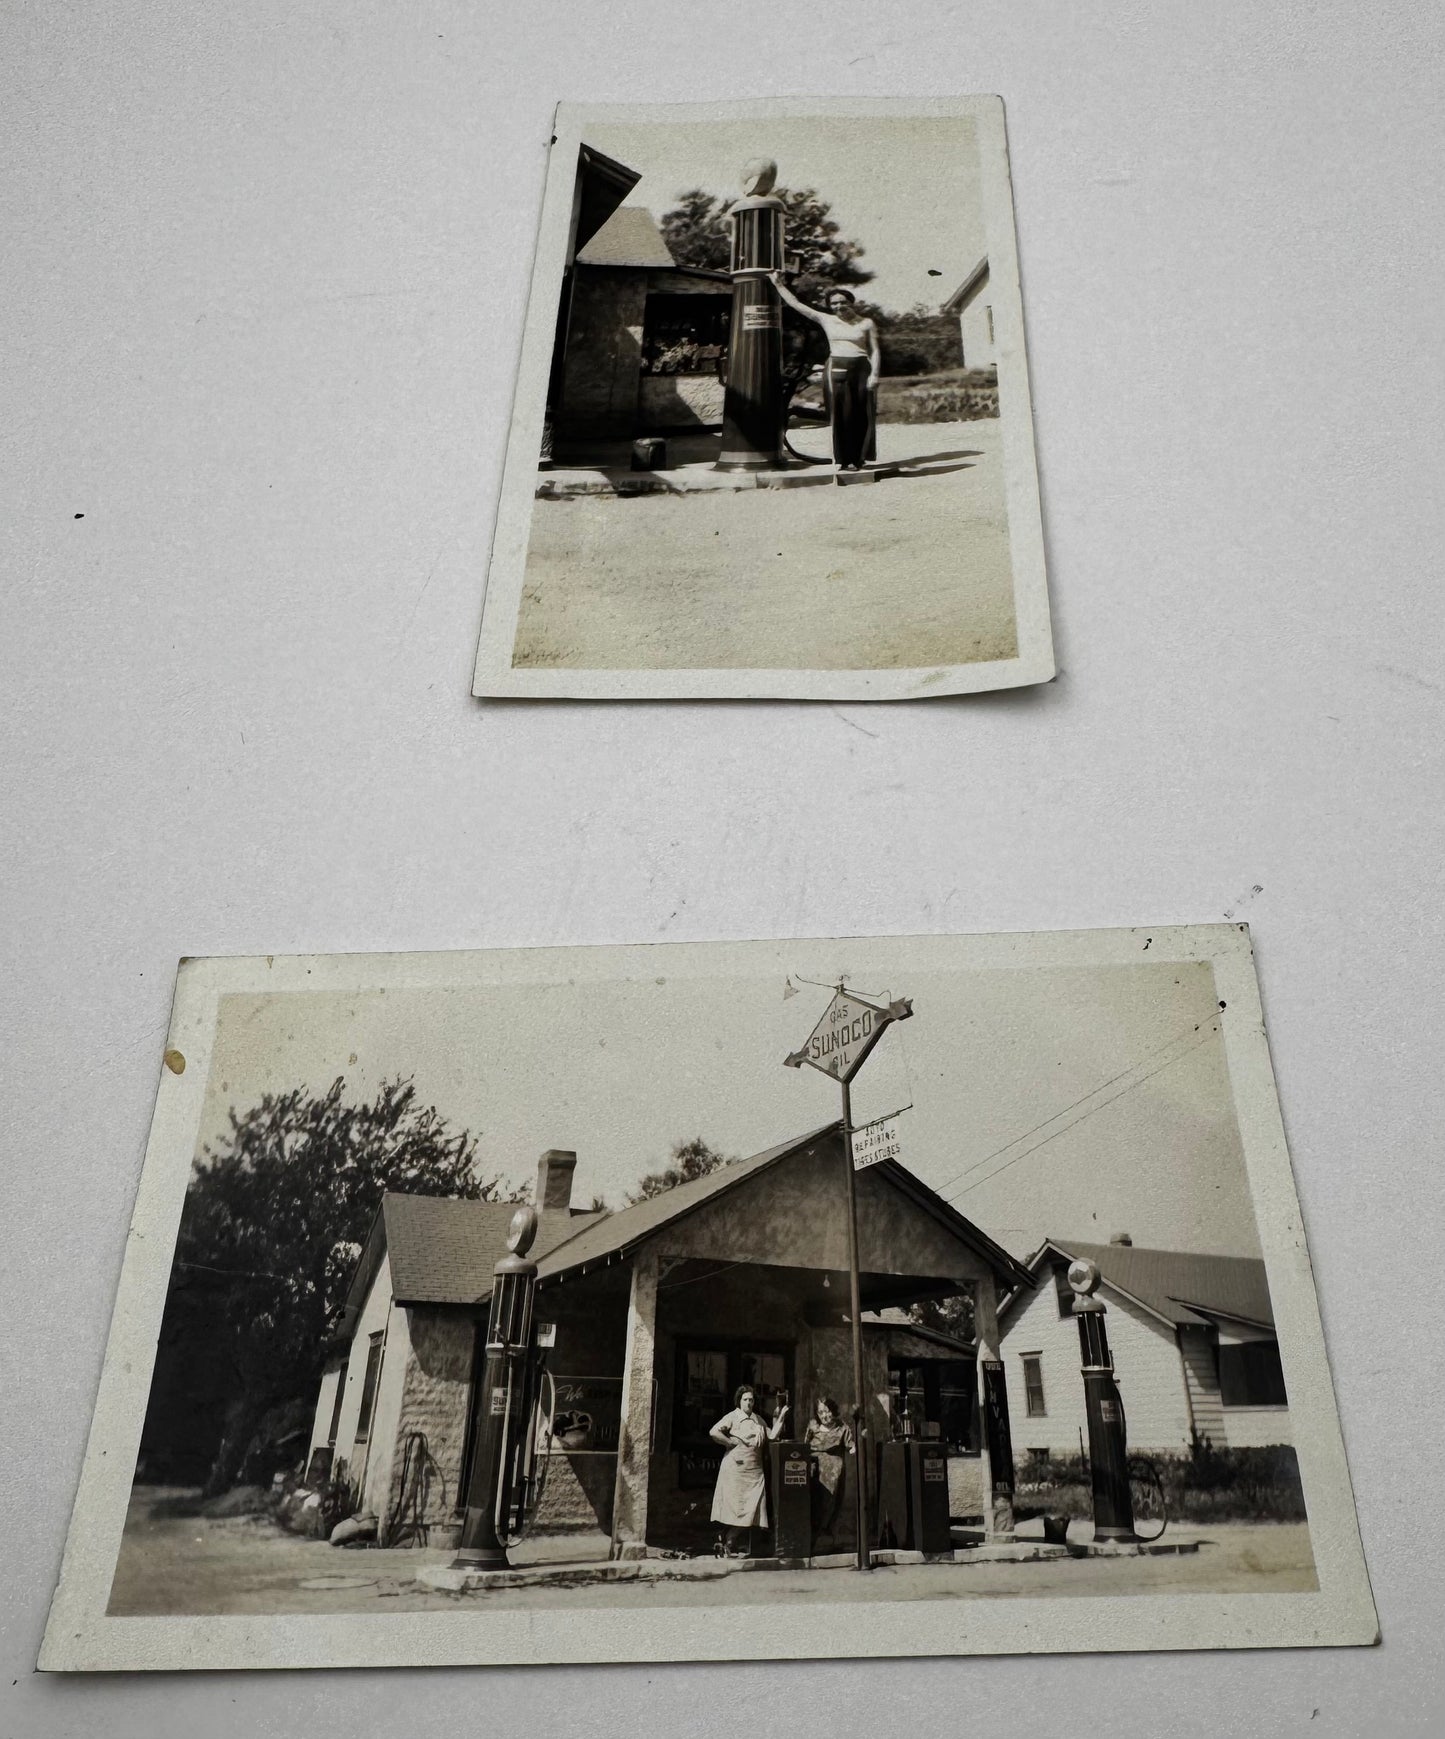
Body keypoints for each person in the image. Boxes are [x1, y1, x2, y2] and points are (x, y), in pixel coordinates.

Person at [769, 274, 880, 470]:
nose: (839, 306)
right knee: (840, 414)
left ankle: (859, 457)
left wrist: (875, 375)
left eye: (843, 302)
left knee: (863, 413)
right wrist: (778, 283)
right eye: (834, 303)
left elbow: (875, 350)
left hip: (862, 368)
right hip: (836, 367)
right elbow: (796, 304)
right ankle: (844, 460)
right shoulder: (826, 319)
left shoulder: (866, 323)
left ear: (851, 302)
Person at [709, 1385, 790, 1556]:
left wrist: (781, 1415)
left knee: (752, 1508)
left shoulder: (758, 1420)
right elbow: (714, 1431)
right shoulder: (732, 1417)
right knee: (736, 1508)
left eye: (751, 1400)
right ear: (739, 1401)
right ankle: (729, 1541)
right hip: (736, 1469)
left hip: (754, 1471)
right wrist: (730, 1442)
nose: (748, 1403)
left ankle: (727, 1537)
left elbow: (773, 1435)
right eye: (745, 1399)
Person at [803, 1395, 855, 1544]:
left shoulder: (842, 1427)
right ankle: (812, 1536)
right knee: (814, 1501)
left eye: (827, 1411)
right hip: (814, 1469)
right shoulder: (813, 1426)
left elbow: (850, 1446)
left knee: (830, 1503)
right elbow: (805, 1445)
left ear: (833, 1410)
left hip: (833, 1472)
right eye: (820, 1412)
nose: (824, 1416)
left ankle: (825, 1534)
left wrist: (855, 1447)